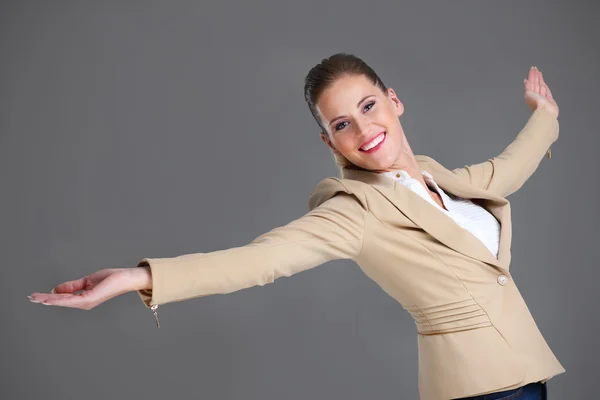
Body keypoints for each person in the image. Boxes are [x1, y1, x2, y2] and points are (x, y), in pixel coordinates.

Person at [28, 53, 564, 400]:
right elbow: (260, 260)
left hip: (525, 377)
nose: (362, 128)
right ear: (329, 142)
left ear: (394, 101)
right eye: (340, 123)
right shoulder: (353, 208)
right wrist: (139, 277)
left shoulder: (434, 177)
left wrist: (544, 115)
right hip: (481, 390)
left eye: (368, 105)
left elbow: (504, 172)